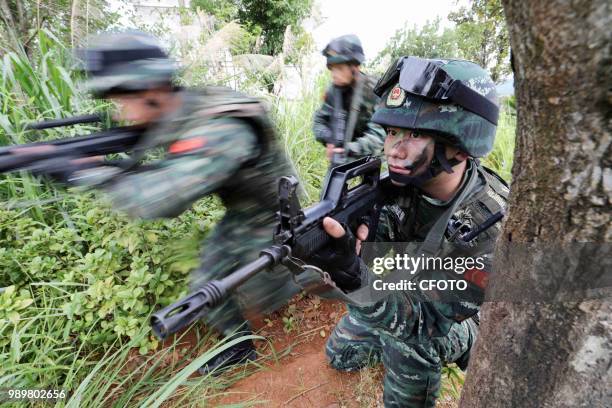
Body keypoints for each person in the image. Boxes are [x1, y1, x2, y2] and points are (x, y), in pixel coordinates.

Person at [22, 31, 300, 374]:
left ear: (152, 90)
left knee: (270, 289)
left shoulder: (223, 126)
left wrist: (83, 174)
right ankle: (240, 348)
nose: (120, 113)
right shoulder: (184, 110)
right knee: (207, 281)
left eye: (122, 100)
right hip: (242, 210)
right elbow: (164, 158)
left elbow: (165, 199)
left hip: (277, 217)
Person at [309, 57, 509, 407]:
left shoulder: (489, 227)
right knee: (342, 354)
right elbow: (375, 246)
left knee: (411, 342)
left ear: (460, 145)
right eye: (392, 132)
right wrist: (327, 254)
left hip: (472, 319)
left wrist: (356, 280)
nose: (394, 150)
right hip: (414, 286)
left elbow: (425, 320)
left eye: (416, 133)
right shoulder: (401, 186)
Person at [313, 34, 386, 166]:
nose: (334, 75)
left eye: (340, 69)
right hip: (343, 157)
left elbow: (379, 136)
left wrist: (349, 149)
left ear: (355, 68)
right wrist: (330, 139)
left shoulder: (374, 90)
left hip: (375, 159)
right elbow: (319, 121)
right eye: (332, 69)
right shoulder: (333, 91)